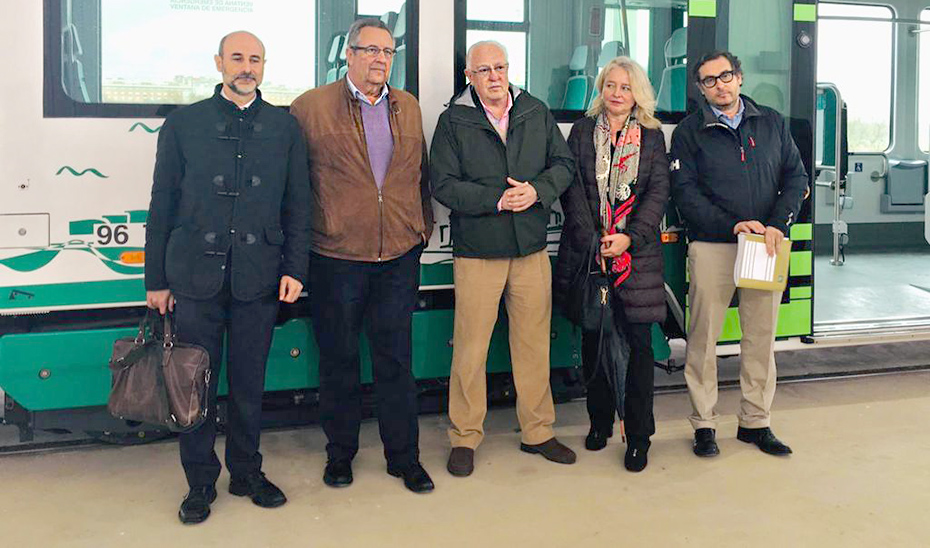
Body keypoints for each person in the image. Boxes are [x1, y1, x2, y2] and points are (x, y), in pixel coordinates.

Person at [145, 31, 311, 524]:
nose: (246, 67)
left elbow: (299, 204)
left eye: (255, 59)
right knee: (194, 386)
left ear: (265, 66)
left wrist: (295, 269)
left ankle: (246, 472)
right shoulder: (183, 124)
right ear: (218, 62)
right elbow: (162, 205)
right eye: (237, 57)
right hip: (194, 279)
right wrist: (156, 279)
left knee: (248, 384)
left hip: (259, 279)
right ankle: (200, 482)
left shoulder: (285, 128)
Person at [289, 18, 435, 494]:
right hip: (336, 256)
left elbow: (420, 176)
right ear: (348, 54)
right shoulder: (309, 108)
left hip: (397, 254)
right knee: (339, 359)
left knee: (396, 360)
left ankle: (404, 457)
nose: (380, 59)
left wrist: (419, 228)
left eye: (388, 52)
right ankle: (340, 455)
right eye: (370, 50)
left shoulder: (407, 106)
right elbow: (294, 186)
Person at [430, 40, 576, 478]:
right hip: (479, 251)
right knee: (470, 349)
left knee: (533, 345)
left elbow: (564, 165)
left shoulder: (536, 111)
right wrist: (497, 199)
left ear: (509, 70)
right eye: (483, 70)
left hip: (530, 249)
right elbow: (443, 184)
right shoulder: (453, 121)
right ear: (469, 77)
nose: (494, 76)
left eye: (500, 67)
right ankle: (465, 437)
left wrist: (538, 191)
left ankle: (538, 432)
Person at [669, 50, 808, 458]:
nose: (720, 85)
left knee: (761, 337)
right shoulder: (689, 133)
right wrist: (731, 223)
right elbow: (685, 193)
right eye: (709, 81)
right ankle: (704, 425)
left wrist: (777, 225)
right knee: (703, 338)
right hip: (713, 245)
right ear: (700, 88)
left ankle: (755, 421)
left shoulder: (772, 123)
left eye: (725, 76)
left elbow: (795, 175)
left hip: (765, 243)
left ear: (739, 77)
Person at [554, 56, 669, 472]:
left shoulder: (653, 138)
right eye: (609, 86)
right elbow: (571, 191)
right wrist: (597, 241)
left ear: (637, 93)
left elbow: (657, 194)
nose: (616, 94)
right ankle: (599, 422)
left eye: (625, 87)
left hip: (636, 259)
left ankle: (639, 437)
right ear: (600, 90)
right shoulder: (582, 133)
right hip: (590, 255)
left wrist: (627, 239)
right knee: (595, 342)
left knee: (639, 350)